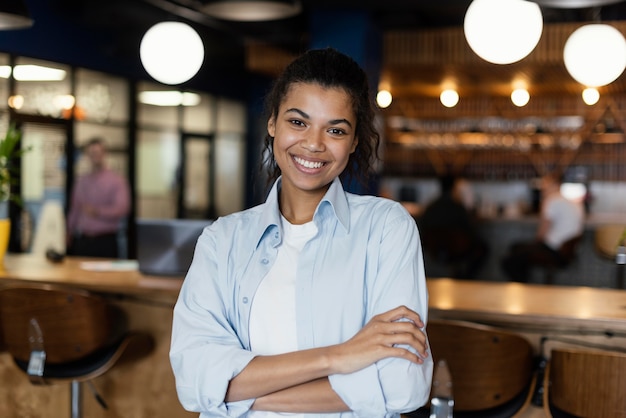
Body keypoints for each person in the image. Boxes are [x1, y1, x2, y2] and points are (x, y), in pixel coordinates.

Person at [169, 48, 433, 418]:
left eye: (336, 130)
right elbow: (193, 379)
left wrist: (230, 391)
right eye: (298, 122)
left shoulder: (386, 227)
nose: (313, 143)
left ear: (355, 141)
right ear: (273, 123)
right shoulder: (222, 240)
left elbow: (401, 386)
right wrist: (339, 356)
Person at [501, 173, 584, 282]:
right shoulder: (572, 201)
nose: (543, 188)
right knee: (517, 248)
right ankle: (524, 287)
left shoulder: (551, 200)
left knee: (509, 260)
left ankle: (523, 290)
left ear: (557, 185)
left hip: (554, 251)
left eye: (546, 185)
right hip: (567, 251)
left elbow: (541, 234)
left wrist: (534, 244)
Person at [66, 137, 130, 258]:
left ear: (104, 153)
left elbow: (122, 209)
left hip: (105, 241)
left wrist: (98, 212)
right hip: (83, 241)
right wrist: (69, 230)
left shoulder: (117, 181)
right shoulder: (81, 181)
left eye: (97, 152)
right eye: (91, 153)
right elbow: (75, 209)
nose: (94, 156)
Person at [417, 175, 488, 279]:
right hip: (458, 250)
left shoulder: (430, 208)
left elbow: (422, 230)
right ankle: (465, 279)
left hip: (434, 250)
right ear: (453, 188)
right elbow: (470, 231)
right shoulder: (458, 208)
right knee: (483, 248)